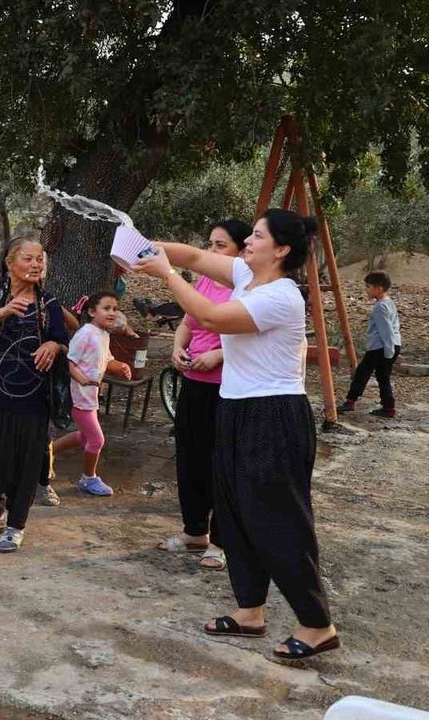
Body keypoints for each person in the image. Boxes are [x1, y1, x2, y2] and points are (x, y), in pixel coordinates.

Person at [135, 208, 339, 661]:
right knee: (234, 512)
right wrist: (140, 247)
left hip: (274, 416)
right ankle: (250, 611)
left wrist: (164, 273)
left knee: (277, 518)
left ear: (281, 249)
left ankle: (317, 623)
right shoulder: (247, 274)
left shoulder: (283, 296)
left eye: (258, 236)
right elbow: (190, 255)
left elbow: (209, 316)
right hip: (236, 408)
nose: (248, 241)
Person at [0, 237, 69, 553]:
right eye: (29, 259)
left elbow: (61, 340)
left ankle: (17, 525)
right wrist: (4, 311)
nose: (36, 265)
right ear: (10, 262)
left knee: (25, 463)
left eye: (40, 260)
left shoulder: (49, 302)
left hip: (32, 398)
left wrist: (53, 345)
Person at [157, 219, 249, 570]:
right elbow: (188, 322)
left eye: (220, 246)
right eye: (209, 244)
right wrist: (177, 347)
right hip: (194, 382)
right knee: (189, 456)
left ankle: (222, 542)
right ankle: (194, 530)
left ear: (241, 252)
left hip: (228, 388)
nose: (211, 252)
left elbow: (248, 335)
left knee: (223, 463)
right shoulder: (205, 280)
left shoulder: (248, 286)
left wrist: (219, 355)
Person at [51, 291, 132, 496]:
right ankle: (88, 478)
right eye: (106, 308)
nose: (112, 312)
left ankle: (47, 450)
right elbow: (69, 362)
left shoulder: (103, 334)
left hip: (91, 396)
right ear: (91, 312)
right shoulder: (85, 333)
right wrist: (82, 380)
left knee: (84, 436)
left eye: (115, 308)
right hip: (80, 397)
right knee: (96, 440)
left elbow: (107, 361)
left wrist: (121, 366)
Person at [340, 271, 402, 418]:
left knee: (362, 373)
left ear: (379, 288)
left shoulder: (380, 307)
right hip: (390, 345)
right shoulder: (389, 302)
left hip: (381, 347)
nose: (366, 290)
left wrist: (388, 351)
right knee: (382, 376)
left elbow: (386, 330)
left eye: (368, 286)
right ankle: (388, 408)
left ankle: (350, 402)